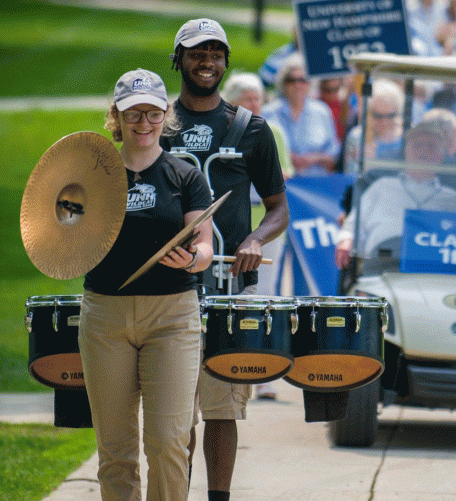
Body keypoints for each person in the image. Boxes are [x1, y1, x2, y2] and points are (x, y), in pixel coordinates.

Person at [162, 18, 289, 501]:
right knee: (176, 412)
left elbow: (279, 208)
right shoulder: (160, 123)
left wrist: (256, 238)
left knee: (222, 408)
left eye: (216, 53)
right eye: (197, 53)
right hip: (170, 285)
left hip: (230, 286)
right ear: (180, 60)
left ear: (226, 61)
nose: (207, 62)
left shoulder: (250, 129)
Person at [79, 68, 214, 501]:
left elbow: (205, 245)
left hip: (172, 316)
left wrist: (193, 260)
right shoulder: (93, 176)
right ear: (115, 118)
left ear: (166, 115)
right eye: (133, 114)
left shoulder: (185, 176)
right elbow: (63, 236)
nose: (143, 123)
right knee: (115, 450)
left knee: (168, 440)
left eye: (153, 113)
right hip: (106, 315)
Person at [220, 70, 294, 400]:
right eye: (247, 99)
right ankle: (226, 365)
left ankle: (261, 374)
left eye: (257, 99)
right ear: (231, 102)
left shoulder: (271, 130)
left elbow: (285, 174)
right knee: (226, 297)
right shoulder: (221, 130)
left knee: (262, 295)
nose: (254, 104)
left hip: (265, 228)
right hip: (226, 229)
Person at [335, 115, 456, 270]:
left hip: (433, 270)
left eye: (431, 146)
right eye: (417, 145)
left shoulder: (453, 199)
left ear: (441, 156)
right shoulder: (381, 186)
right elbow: (353, 224)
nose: (423, 151)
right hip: (380, 266)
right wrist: (346, 239)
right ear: (406, 151)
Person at [262, 53, 341, 176]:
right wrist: (287, 157)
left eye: (303, 80)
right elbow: (260, 149)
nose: (297, 85)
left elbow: (334, 152)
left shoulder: (322, 111)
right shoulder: (268, 112)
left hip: (315, 182)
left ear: (310, 83)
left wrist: (313, 158)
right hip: (280, 182)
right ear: (283, 83)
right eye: (291, 80)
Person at [342, 78, 405, 175]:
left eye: (391, 115)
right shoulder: (357, 136)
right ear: (370, 113)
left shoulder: (408, 137)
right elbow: (351, 175)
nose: (385, 122)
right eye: (378, 116)